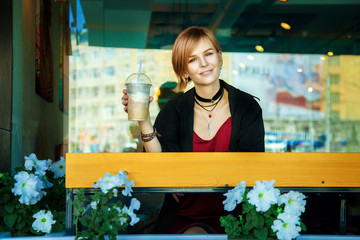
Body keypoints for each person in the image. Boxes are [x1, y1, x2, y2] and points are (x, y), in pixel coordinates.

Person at [122, 26, 265, 234]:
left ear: (220, 57)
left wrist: (185, 174)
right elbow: (158, 162)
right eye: (193, 59)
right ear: (184, 71)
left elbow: (254, 166)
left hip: (237, 218)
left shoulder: (247, 106)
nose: (204, 63)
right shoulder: (174, 109)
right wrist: (144, 120)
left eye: (208, 54)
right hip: (185, 215)